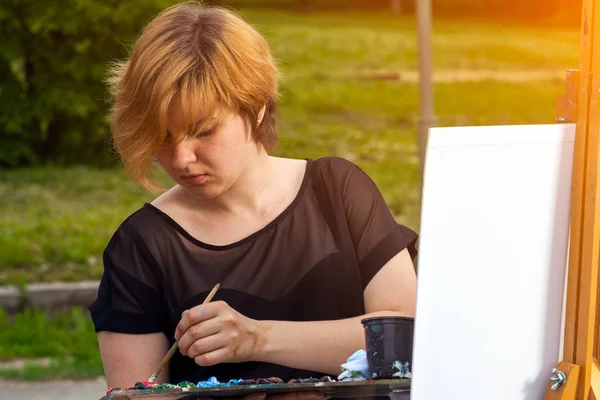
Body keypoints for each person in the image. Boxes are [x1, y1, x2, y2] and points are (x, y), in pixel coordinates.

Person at [89, 0, 419, 393]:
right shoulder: (142, 246)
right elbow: (135, 394)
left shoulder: (339, 191)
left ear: (257, 106)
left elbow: (408, 339)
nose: (181, 158)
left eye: (203, 131)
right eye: (162, 137)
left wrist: (257, 338)